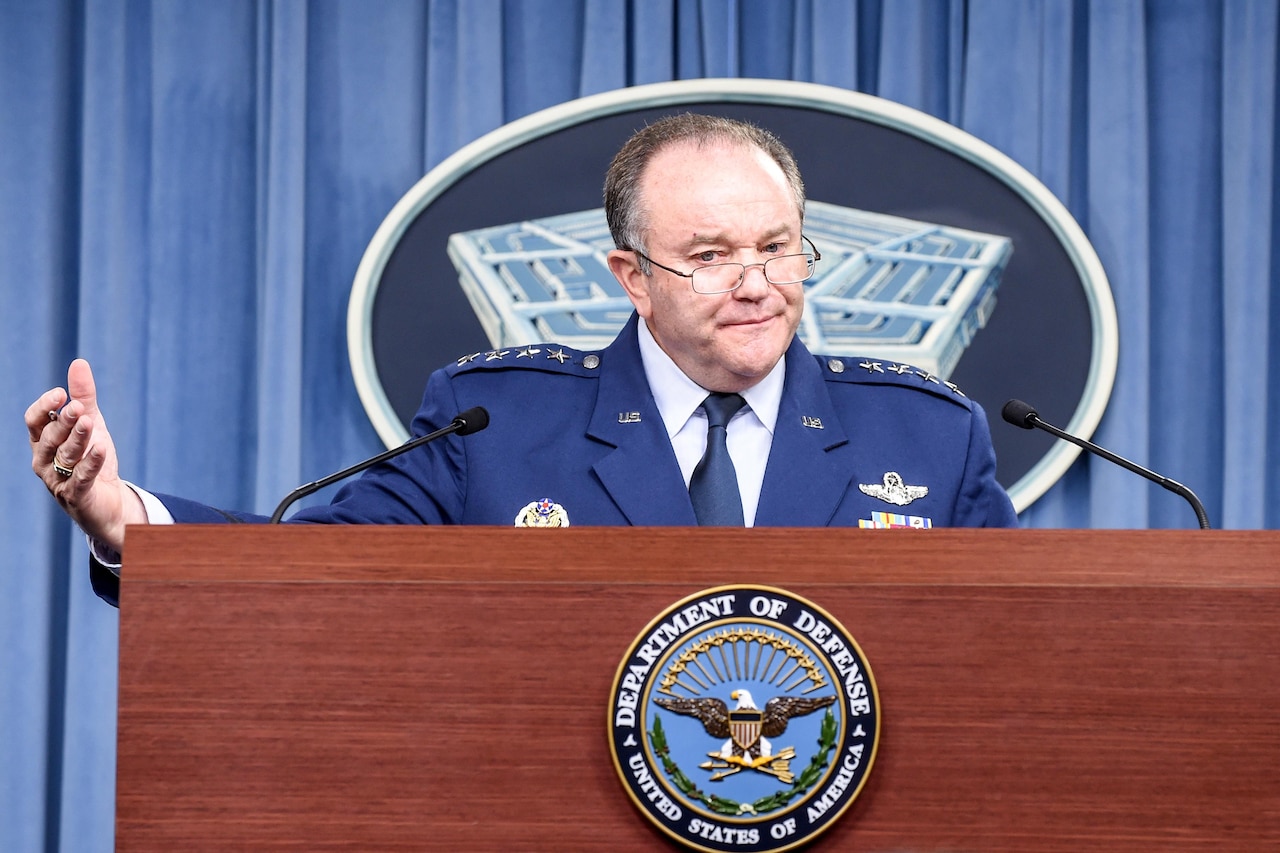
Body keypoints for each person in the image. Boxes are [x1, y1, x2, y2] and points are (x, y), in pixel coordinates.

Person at [27, 113, 1018, 607]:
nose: (755, 281)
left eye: (775, 245)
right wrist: (129, 525)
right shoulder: (492, 425)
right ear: (630, 276)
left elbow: (1028, 650)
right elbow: (313, 570)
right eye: (710, 256)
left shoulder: (927, 434)